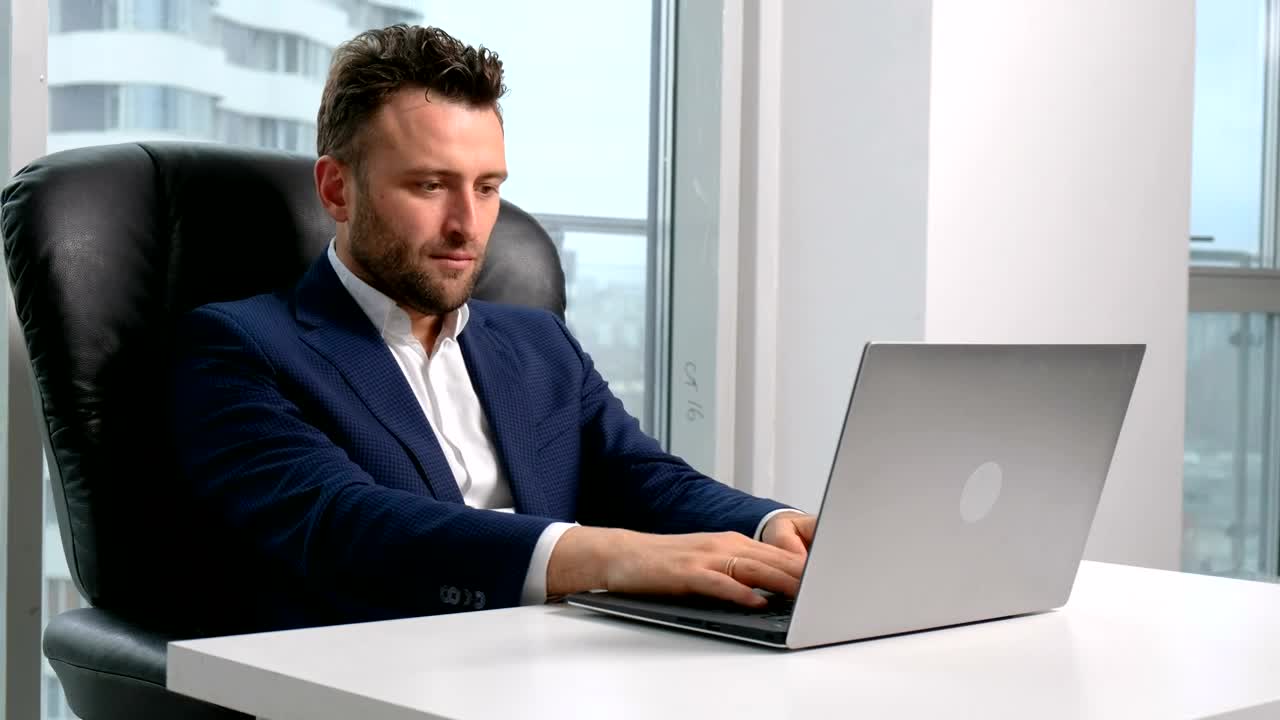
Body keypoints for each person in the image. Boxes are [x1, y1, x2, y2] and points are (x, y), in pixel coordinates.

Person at [171, 24, 814, 633]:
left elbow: (645, 479)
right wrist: (607, 556)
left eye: (486, 187)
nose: (468, 225)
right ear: (337, 189)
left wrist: (771, 529)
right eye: (430, 185)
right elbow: (346, 525)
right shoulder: (239, 347)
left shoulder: (540, 343)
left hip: (563, 666)